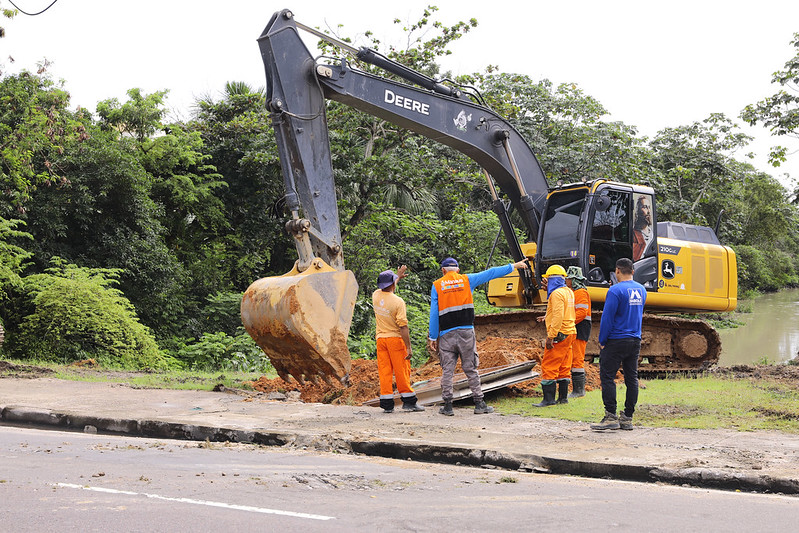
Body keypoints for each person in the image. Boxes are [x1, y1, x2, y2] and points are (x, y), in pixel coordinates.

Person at [428, 257, 529, 416]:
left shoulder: (437, 285)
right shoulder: (467, 280)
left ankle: (447, 406)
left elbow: (434, 313)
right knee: (470, 368)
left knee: (447, 370)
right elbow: (491, 273)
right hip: (466, 332)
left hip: (446, 334)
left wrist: (433, 336)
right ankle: (479, 403)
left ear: (443, 271)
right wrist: (514, 266)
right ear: (458, 270)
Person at [591, 257, 647, 431]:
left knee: (608, 377)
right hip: (635, 340)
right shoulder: (642, 290)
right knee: (632, 378)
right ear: (633, 271)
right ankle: (627, 418)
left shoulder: (615, 291)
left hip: (616, 340)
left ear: (617, 271)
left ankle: (610, 416)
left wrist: (602, 340)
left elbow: (607, 318)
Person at [373, 265, 424, 414]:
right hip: (395, 340)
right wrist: (408, 347)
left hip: (381, 340)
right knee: (402, 371)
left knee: (385, 371)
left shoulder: (375, 295)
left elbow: (388, 290)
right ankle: (409, 402)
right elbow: (403, 327)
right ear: (392, 284)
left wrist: (397, 277)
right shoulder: (398, 302)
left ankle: (387, 404)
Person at [534, 264, 577, 407]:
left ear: (551, 280)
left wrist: (551, 336)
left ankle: (548, 400)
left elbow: (558, 316)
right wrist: (547, 316)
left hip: (560, 333)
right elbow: (562, 312)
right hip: (571, 332)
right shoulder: (568, 292)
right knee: (564, 365)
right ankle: (563, 398)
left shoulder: (556, 294)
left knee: (549, 365)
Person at [566, 266, 591, 398]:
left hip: (580, 328)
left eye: (568, 278)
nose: (566, 280)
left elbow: (581, 313)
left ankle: (579, 390)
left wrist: (568, 322)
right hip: (577, 327)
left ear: (574, 279)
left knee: (577, 358)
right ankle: (577, 390)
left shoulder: (581, 293)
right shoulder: (574, 292)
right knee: (574, 357)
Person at [632, 194, 653, 261]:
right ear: (638, 210)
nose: (648, 211)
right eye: (645, 207)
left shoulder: (653, 234)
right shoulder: (633, 234)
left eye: (649, 207)